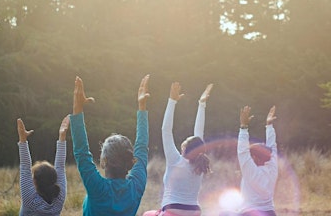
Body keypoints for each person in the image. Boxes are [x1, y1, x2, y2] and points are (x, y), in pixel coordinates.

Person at [69, 75, 150, 216]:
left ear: (104, 161)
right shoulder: (136, 186)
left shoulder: (97, 188)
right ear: (129, 160)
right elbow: (142, 148)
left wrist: (77, 108)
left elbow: (81, 152)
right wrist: (142, 108)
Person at [143, 82, 213, 216]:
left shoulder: (175, 160)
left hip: (172, 210)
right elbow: (199, 134)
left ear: (184, 148)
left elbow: (166, 130)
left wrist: (172, 101)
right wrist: (201, 104)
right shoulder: (201, 165)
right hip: (194, 211)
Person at [17, 115, 69, 216]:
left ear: (35, 181)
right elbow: (60, 167)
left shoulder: (30, 200)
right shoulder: (59, 199)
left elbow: (25, 167)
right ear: (54, 179)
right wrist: (62, 137)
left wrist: (22, 139)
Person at [235, 105, 279, 216]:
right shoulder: (272, 169)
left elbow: (242, 151)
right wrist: (269, 126)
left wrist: (244, 127)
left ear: (254, 157)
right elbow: (272, 148)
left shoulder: (251, 171)